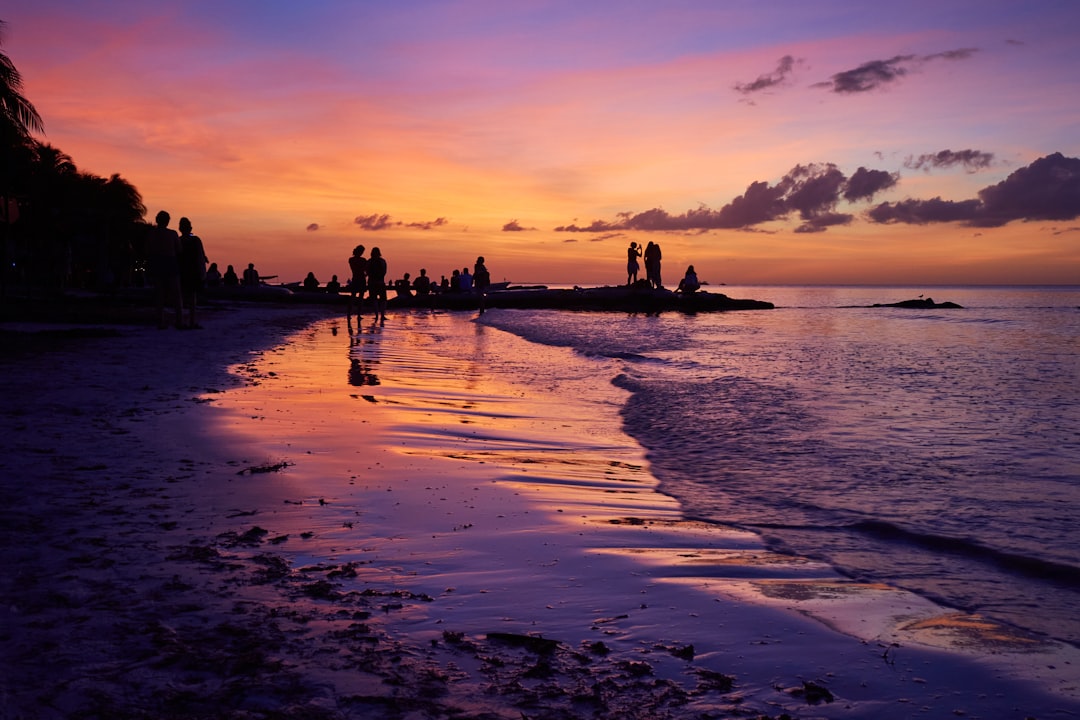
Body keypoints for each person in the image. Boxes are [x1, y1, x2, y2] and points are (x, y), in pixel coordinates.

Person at [145, 210, 184, 329]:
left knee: (160, 294)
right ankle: (179, 321)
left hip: (158, 264)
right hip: (170, 263)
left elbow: (148, 249)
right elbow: (179, 250)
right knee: (176, 294)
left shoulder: (152, 234)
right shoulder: (172, 234)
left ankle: (161, 321)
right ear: (167, 221)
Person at [177, 217, 207, 328]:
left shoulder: (179, 240)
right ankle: (192, 321)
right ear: (190, 228)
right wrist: (203, 273)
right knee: (192, 298)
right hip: (193, 271)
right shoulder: (195, 240)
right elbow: (200, 257)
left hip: (182, 271)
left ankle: (181, 321)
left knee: (181, 297)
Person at [367, 246, 388, 323]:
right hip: (380, 282)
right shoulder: (382, 261)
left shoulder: (369, 261)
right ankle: (382, 315)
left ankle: (376, 315)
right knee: (383, 299)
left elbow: (367, 271)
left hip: (372, 282)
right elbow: (384, 271)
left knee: (374, 299)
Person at [347, 244, 367, 317]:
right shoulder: (363, 260)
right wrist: (365, 275)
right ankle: (358, 314)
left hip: (355, 278)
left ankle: (349, 313)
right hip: (361, 279)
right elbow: (366, 270)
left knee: (353, 296)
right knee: (360, 298)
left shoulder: (351, 260)